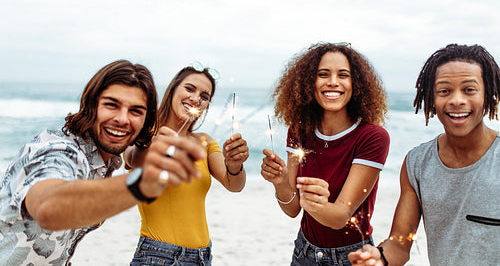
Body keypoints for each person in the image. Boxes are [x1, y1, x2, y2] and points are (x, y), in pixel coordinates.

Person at [0, 60, 205, 266]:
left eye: (135, 111)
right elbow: (47, 208)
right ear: (91, 105)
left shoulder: (106, 161)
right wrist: (139, 183)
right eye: (111, 105)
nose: (123, 119)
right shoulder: (58, 150)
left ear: (146, 120)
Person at [348, 44, 500, 266]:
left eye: (469, 90)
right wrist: (379, 258)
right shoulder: (417, 163)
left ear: (488, 95)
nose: (456, 100)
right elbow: (399, 245)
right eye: (444, 91)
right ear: (431, 98)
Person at [261, 42, 390, 265]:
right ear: (308, 82)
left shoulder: (373, 137)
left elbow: (340, 217)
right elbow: (292, 209)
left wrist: (314, 203)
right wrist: (280, 182)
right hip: (304, 252)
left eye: (343, 75)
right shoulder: (299, 131)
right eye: (323, 74)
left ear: (356, 83)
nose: (333, 82)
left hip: (352, 256)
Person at [125, 61, 249, 266]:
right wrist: (153, 147)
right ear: (173, 90)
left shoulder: (205, 141)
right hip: (158, 257)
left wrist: (235, 163)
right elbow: (132, 157)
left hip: (202, 257)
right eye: (189, 89)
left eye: (204, 96)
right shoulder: (146, 135)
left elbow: (234, 185)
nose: (196, 98)